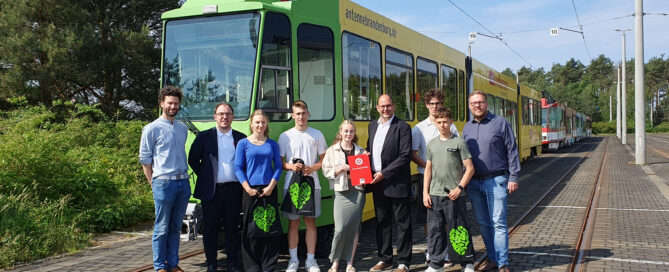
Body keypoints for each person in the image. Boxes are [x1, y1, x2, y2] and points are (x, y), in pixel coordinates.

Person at [462, 91, 520, 272]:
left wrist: (513, 177)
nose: (477, 106)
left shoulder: (500, 123)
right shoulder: (467, 127)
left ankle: (503, 263)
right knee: (484, 224)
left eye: (480, 102)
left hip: (497, 180)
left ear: (486, 104)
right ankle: (493, 258)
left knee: (499, 223)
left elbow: (512, 150)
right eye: (473, 103)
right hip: (474, 183)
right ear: (470, 106)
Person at [188, 103, 246, 272]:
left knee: (232, 229)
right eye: (221, 114)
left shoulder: (241, 138)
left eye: (228, 114)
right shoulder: (204, 137)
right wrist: (207, 177)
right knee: (211, 230)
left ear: (232, 117)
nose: (224, 117)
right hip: (211, 192)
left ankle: (232, 263)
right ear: (215, 116)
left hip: (234, 190)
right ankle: (211, 264)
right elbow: (193, 160)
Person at [139, 86, 191, 272]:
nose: (173, 106)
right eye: (169, 103)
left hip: (183, 183)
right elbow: (145, 160)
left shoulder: (182, 128)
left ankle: (173, 263)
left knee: (176, 227)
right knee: (161, 228)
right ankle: (160, 266)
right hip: (163, 183)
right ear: (162, 103)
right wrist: (153, 183)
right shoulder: (151, 129)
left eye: (176, 103)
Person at [410, 89, 460, 267]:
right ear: (426, 105)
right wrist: (430, 167)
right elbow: (414, 154)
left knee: (447, 216)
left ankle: (446, 249)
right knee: (428, 216)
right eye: (431, 103)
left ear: (442, 104)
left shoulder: (450, 126)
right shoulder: (419, 128)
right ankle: (431, 248)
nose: (434, 106)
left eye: (438, 103)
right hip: (427, 178)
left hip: (447, 180)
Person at [422, 108, 475, 272]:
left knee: (459, 228)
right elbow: (428, 170)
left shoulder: (459, 143)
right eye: (439, 122)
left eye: (445, 121)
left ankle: (467, 263)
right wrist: (425, 192)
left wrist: (460, 188)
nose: (442, 125)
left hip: (454, 194)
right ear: (435, 123)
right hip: (435, 194)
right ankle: (436, 264)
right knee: (435, 230)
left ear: (451, 122)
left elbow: (470, 168)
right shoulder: (431, 144)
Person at [279, 100, 328, 272]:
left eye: (303, 113)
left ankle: (310, 260)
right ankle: (293, 260)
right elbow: (280, 163)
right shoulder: (285, 136)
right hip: (291, 185)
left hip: (311, 184)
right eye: (297, 113)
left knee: (310, 223)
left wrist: (311, 168)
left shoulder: (317, 134)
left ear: (308, 114)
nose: (301, 116)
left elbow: (324, 160)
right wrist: (291, 167)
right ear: (292, 115)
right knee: (293, 224)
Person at [367, 94, 413, 272]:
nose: (385, 109)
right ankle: (385, 259)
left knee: (403, 224)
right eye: (382, 106)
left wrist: (384, 174)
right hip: (377, 183)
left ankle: (403, 262)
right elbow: (370, 150)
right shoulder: (373, 125)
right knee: (382, 222)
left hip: (396, 182)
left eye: (388, 106)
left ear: (394, 106)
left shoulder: (402, 127)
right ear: (377, 108)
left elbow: (405, 156)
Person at [234, 109, 283, 272]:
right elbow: (238, 168)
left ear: (266, 124)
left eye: (263, 122)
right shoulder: (243, 143)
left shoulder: (272, 144)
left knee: (270, 229)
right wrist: (247, 188)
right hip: (250, 191)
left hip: (269, 190)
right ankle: (252, 266)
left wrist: (271, 186)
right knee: (250, 230)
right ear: (251, 124)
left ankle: (268, 265)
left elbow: (278, 167)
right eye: (257, 122)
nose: (260, 125)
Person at [322, 120, 367, 272]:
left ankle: (349, 263)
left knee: (354, 229)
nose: (348, 134)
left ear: (354, 134)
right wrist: (340, 169)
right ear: (340, 132)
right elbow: (326, 171)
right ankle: (334, 262)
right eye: (345, 131)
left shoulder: (361, 151)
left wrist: (359, 168)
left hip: (357, 192)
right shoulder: (332, 150)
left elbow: (363, 175)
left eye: (351, 131)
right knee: (340, 229)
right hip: (341, 192)